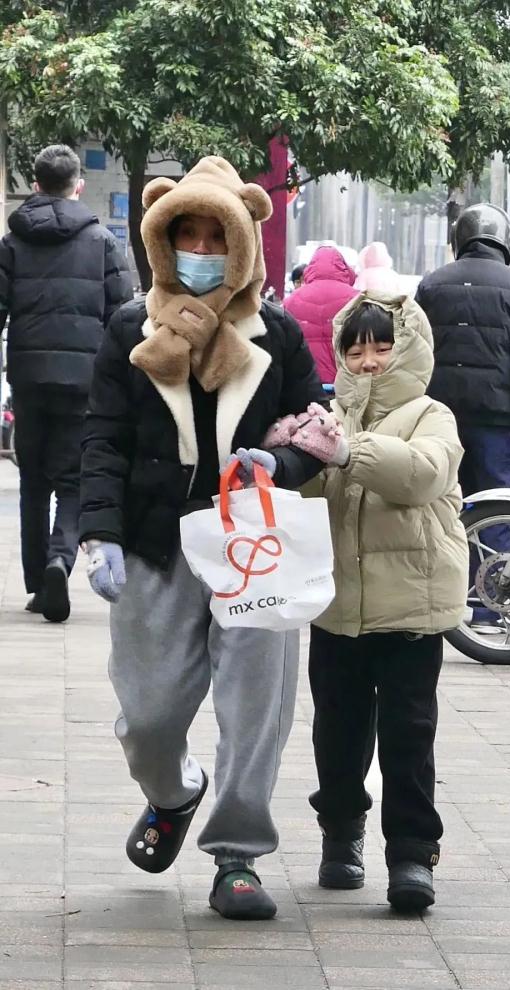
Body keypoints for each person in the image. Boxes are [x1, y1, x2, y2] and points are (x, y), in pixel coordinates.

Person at [79, 156, 324, 921]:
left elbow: (312, 432)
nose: (200, 249)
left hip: (254, 545)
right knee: (147, 715)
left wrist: (277, 461)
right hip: (155, 542)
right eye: (184, 233)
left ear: (243, 242)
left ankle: (239, 857)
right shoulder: (129, 328)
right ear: (159, 240)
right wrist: (100, 532)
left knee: (257, 707)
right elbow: (103, 438)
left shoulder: (276, 333)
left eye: (215, 236)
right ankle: (173, 793)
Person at [264, 294, 468, 911]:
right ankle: (340, 833)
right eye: (356, 349)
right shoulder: (329, 415)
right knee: (338, 732)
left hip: (411, 605)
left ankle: (411, 854)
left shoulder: (432, 415)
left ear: (407, 350)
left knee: (408, 734)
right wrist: (284, 452)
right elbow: (310, 485)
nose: (370, 360)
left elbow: (421, 476)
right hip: (337, 607)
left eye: (383, 346)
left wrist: (347, 453)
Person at [0, 144, 133, 622]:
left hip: (30, 380)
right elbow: (122, 317)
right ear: (78, 185)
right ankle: (62, 558)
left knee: (32, 480)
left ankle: (38, 582)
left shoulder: (12, 243)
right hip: (84, 382)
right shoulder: (101, 241)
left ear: (35, 185)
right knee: (74, 481)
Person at [415, 204, 510, 633]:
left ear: (460, 239)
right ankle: (490, 608)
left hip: (438, 416)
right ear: (504, 240)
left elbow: (413, 351)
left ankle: (440, 602)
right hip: (492, 420)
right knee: (495, 505)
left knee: (441, 505)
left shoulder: (433, 283)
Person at [284, 245, 357, 384]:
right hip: (346, 383)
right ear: (344, 268)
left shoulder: (291, 301)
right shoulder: (357, 299)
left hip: (305, 382)